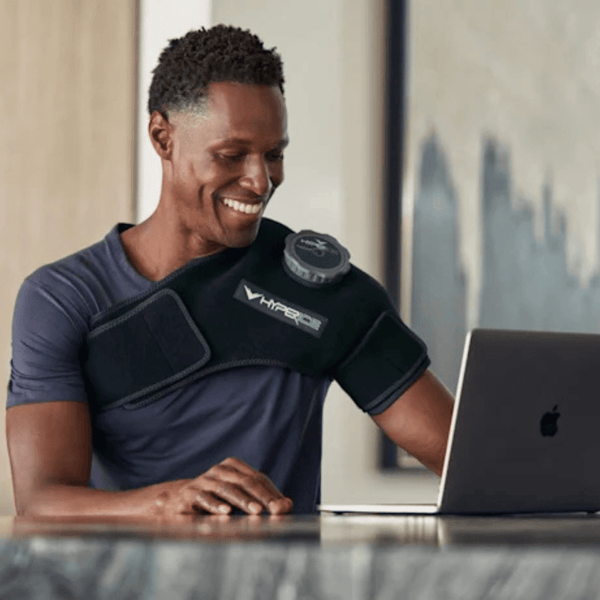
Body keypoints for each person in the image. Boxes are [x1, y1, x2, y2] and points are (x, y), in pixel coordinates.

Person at [6, 25, 454, 518]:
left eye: (274, 154)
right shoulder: (63, 297)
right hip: (127, 568)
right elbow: (41, 502)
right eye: (232, 155)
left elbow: (469, 465)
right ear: (163, 137)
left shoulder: (325, 293)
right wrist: (170, 500)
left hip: (284, 569)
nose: (261, 181)